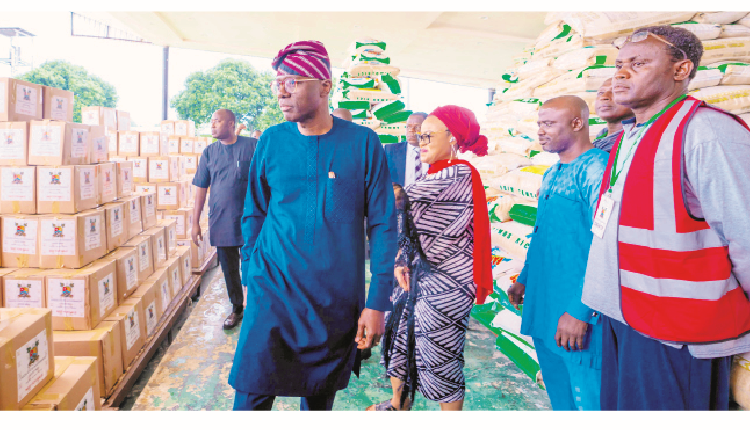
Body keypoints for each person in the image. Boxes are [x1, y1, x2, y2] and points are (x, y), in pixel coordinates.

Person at [581, 25, 750, 410]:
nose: (620, 73)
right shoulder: (631, 136)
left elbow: (745, 233)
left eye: (638, 63)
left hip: (679, 333)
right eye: (619, 65)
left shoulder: (705, 131)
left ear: (681, 69)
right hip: (623, 317)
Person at [229, 40, 398, 411]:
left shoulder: (363, 143)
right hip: (272, 293)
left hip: (333, 301)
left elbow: (385, 225)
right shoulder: (272, 141)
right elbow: (254, 210)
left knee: (319, 400)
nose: (281, 93)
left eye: (292, 82)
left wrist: (377, 303)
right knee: (250, 394)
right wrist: (252, 268)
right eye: (278, 84)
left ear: (325, 85)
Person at [368, 105, 493, 411]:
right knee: (399, 342)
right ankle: (398, 404)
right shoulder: (437, 172)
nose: (421, 141)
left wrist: (355, 179)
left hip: (445, 285)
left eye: (429, 135)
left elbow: (401, 200)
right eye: (420, 136)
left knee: (439, 359)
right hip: (416, 277)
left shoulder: (458, 173)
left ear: (453, 139)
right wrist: (400, 260)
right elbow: (409, 228)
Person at [507, 96, 608, 411]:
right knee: (559, 397)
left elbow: (604, 244)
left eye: (549, 124)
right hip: (545, 304)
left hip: (577, 313)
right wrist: (524, 279)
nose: (541, 131)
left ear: (577, 123)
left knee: (587, 400)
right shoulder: (552, 173)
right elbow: (541, 233)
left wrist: (581, 311)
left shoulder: (595, 171)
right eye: (539, 124)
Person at [192, 109, 258, 330]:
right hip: (222, 219)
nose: (212, 125)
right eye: (211, 122)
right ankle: (237, 308)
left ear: (231, 124)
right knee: (229, 268)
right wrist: (194, 223)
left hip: (252, 219)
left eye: (217, 121)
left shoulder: (252, 146)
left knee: (257, 263)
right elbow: (201, 187)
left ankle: (259, 307)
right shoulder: (209, 153)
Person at [383, 113, 429, 187]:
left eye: (417, 127)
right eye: (408, 127)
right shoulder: (390, 151)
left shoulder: (435, 151)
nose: (411, 130)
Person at [592, 78, 634, 152]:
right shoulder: (599, 140)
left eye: (616, 92)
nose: (604, 97)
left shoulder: (637, 142)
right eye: (601, 92)